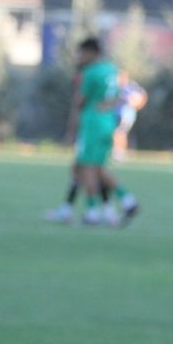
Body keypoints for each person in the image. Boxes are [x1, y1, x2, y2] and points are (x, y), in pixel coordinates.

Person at [51, 37, 139, 227]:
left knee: (88, 168)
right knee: (86, 168)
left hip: (92, 123)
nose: (79, 57)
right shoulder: (112, 69)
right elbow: (119, 96)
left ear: (91, 53)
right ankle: (120, 204)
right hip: (107, 122)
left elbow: (79, 102)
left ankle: (95, 211)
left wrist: (71, 130)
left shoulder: (90, 72)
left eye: (82, 53)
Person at [111, 72, 147, 161]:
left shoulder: (132, 87)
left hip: (126, 115)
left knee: (120, 132)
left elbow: (143, 96)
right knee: (116, 133)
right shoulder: (116, 88)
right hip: (116, 113)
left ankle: (119, 153)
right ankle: (117, 151)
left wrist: (138, 105)